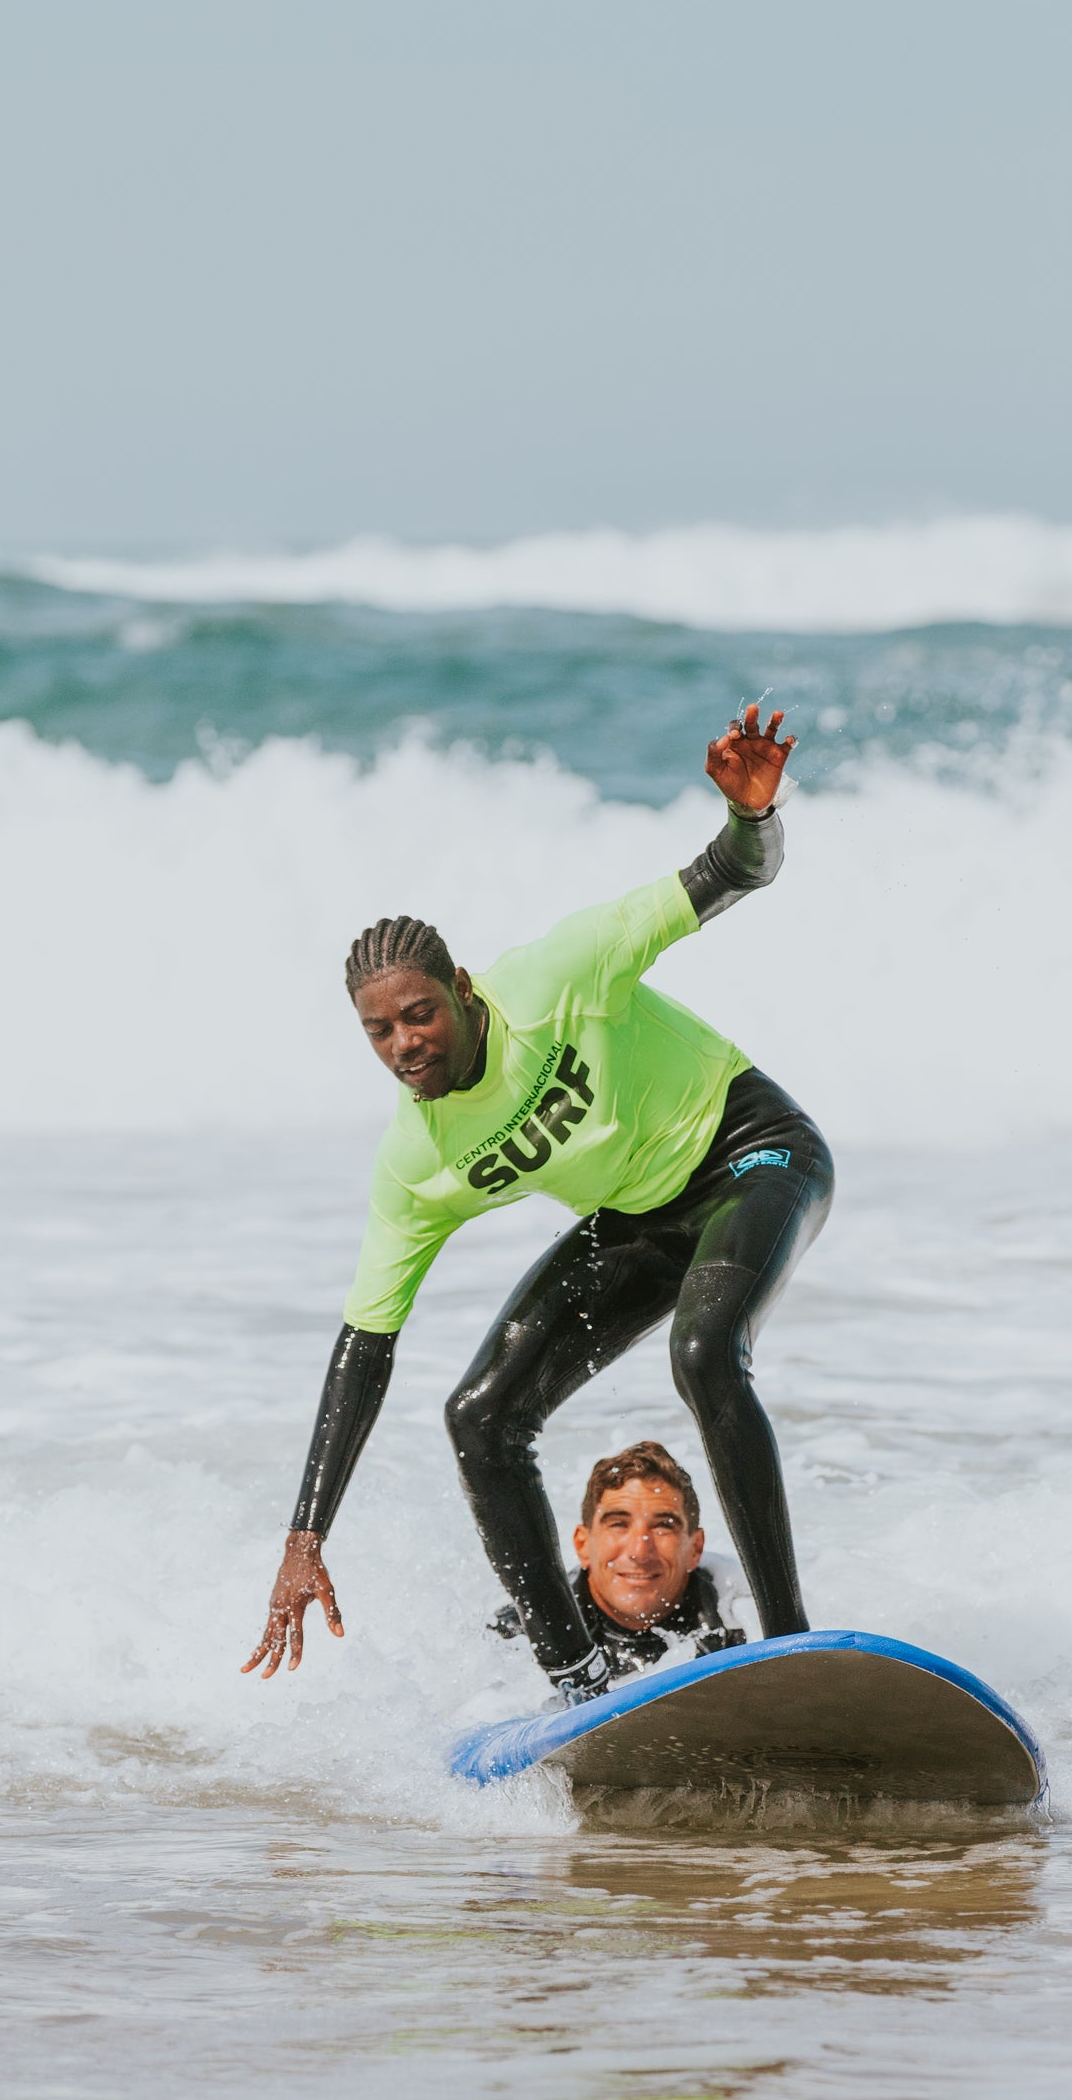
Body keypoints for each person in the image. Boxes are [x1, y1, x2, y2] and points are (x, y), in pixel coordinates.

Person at [242, 704, 834, 1706]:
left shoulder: (562, 972)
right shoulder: (417, 1163)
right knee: (480, 1417)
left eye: (419, 1014)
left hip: (751, 1151)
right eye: (379, 1032)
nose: (405, 1044)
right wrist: (306, 1534)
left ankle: (788, 1648)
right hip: (640, 1218)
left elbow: (733, 873)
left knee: (703, 1352)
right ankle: (579, 1683)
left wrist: (752, 814)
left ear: (463, 990)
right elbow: (364, 1346)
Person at [488, 1438, 746, 1679]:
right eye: (618, 1524)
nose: (639, 1551)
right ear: (582, 1545)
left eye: (663, 1526)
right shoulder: (515, 1638)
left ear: (695, 1549)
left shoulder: (740, 1619)